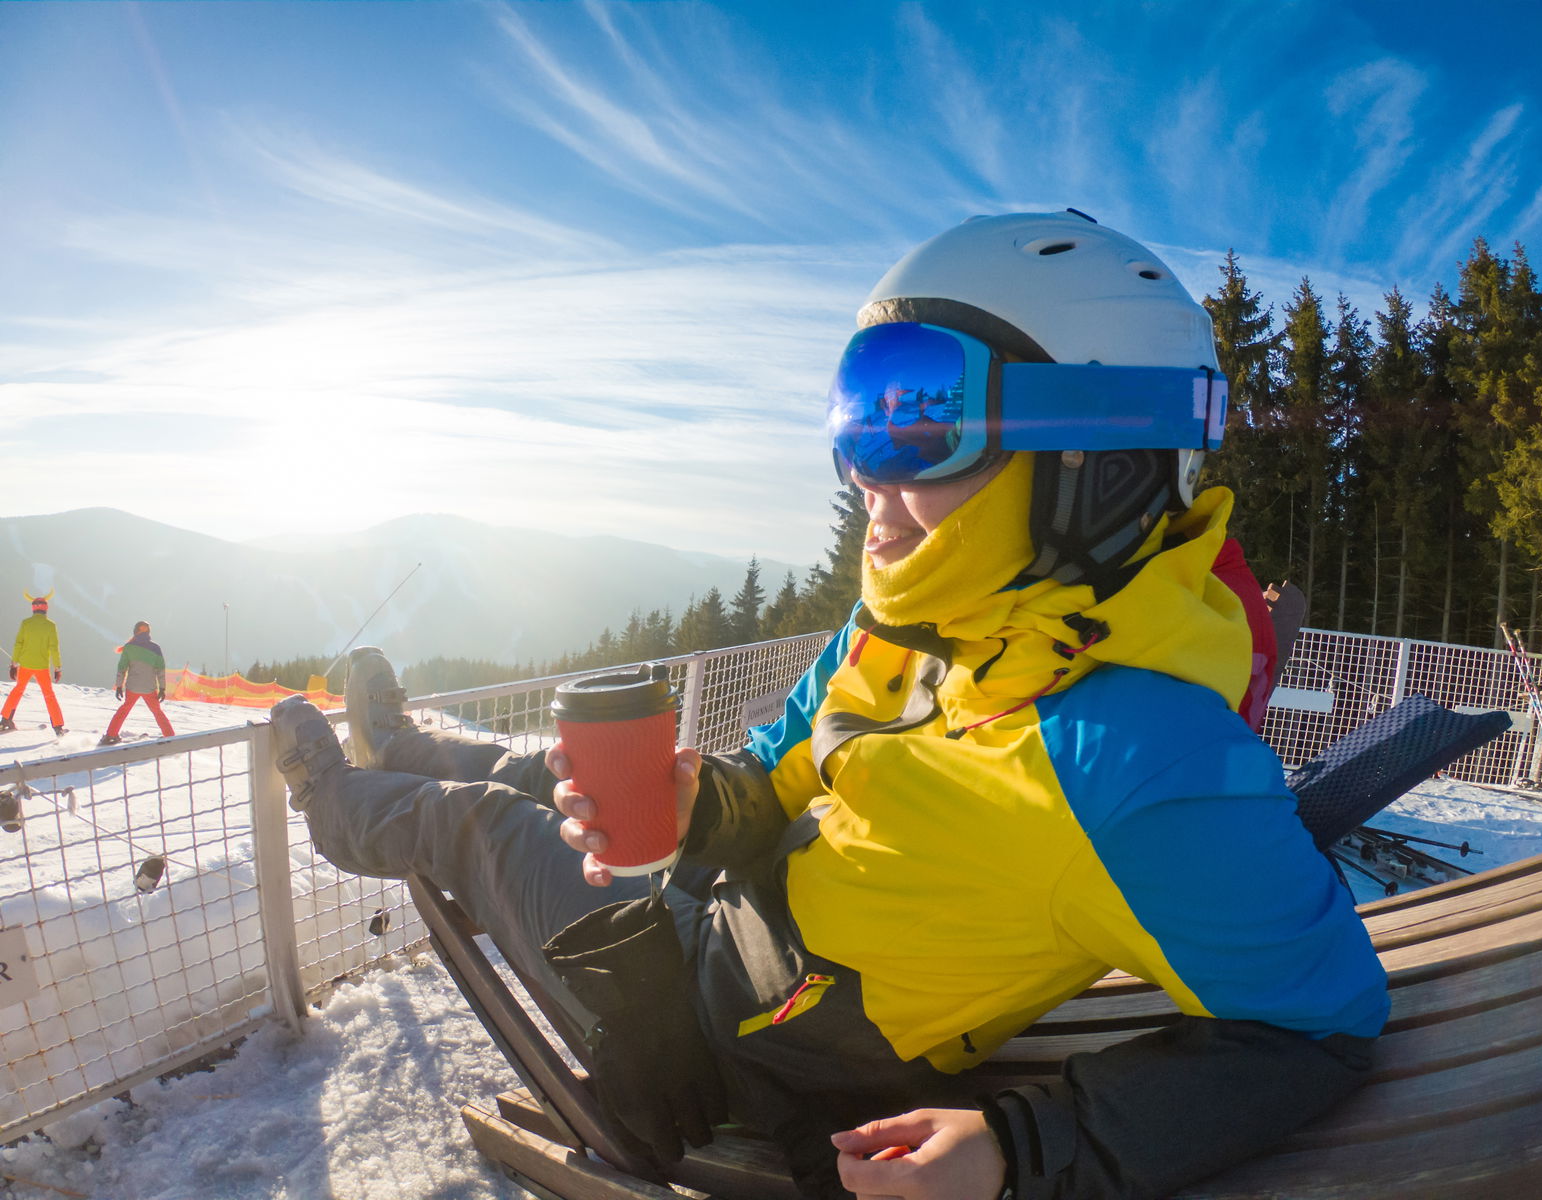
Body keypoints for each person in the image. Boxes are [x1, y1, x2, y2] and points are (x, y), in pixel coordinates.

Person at [269, 209, 1387, 1200]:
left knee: (472, 826)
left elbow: (1321, 1020)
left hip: (734, 1028)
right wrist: (704, 805)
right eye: (858, 413)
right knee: (533, 776)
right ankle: (408, 739)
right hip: (713, 907)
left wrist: (1020, 1150)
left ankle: (330, 795)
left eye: (917, 417)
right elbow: (778, 773)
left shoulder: (1140, 761)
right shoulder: (911, 627)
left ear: (1094, 458)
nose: (861, 472)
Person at [99, 621, 175, 745]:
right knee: (157, 712)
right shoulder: (156, 648)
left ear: (135, 631)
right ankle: (170, 736)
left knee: (124, 710)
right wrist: (162, 688)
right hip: (149, 688)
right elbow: (160, 670)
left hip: (132, 687)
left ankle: (111, 735)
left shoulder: (129, 647)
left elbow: (122, 668)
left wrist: (119, 686)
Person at [1, 592, 66, 736]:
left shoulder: (26, 623)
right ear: (45, 609)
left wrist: (14, 665)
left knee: (17, 690)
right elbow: (54, 648)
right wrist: (57, 667)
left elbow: (18, 644)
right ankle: (58, 727)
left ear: (33, 609)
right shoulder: (50, 625)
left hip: (24, 664)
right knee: (49, 695)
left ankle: (5, 720)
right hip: (41, 667)